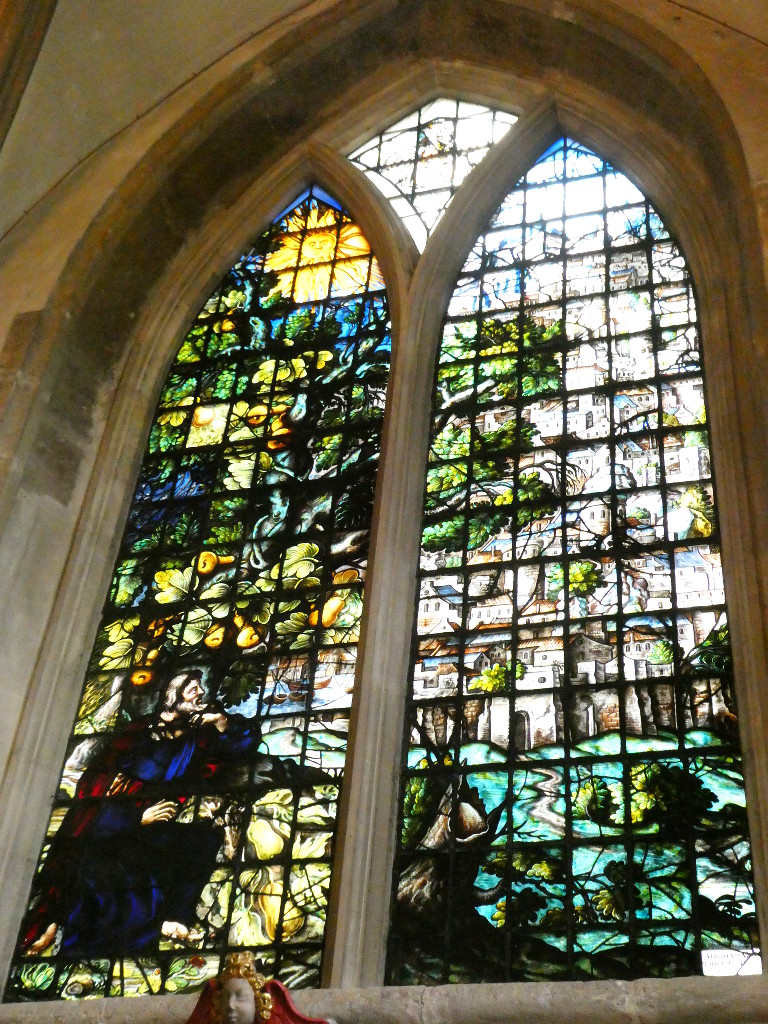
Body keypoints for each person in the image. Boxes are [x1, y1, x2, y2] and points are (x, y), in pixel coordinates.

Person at [20, 670, 267, 957]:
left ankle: (174, 918)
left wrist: (221, 721)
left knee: (201, 840)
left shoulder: (199, 736)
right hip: (114, 821)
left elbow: (241, 746)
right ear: (173, 695)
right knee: (109, 865)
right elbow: (98, 781)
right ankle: (66, 924)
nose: (200, 693)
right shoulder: (138, 730)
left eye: (200, 688)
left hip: (162, 817)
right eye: (193, 689)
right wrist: (135, 815)